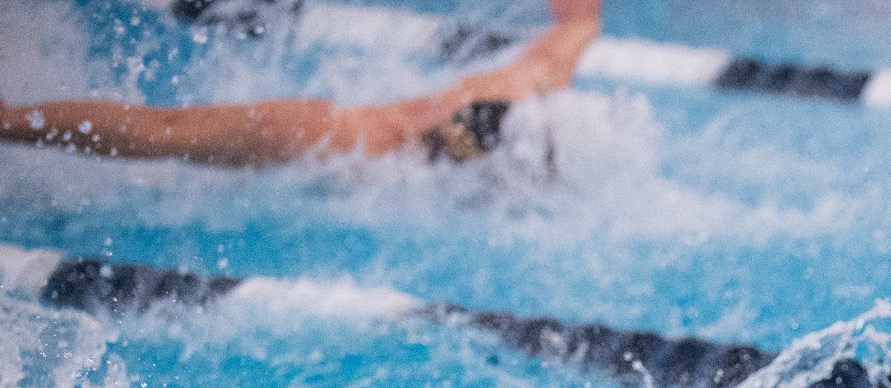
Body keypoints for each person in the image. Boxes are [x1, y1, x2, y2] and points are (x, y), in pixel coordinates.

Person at [0, 0, 598, 166]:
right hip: (322, 139)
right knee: (168, 133)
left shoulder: (538, 76)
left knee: (170, 132)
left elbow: (580, 20)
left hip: (330, 133)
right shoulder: (366, 144)